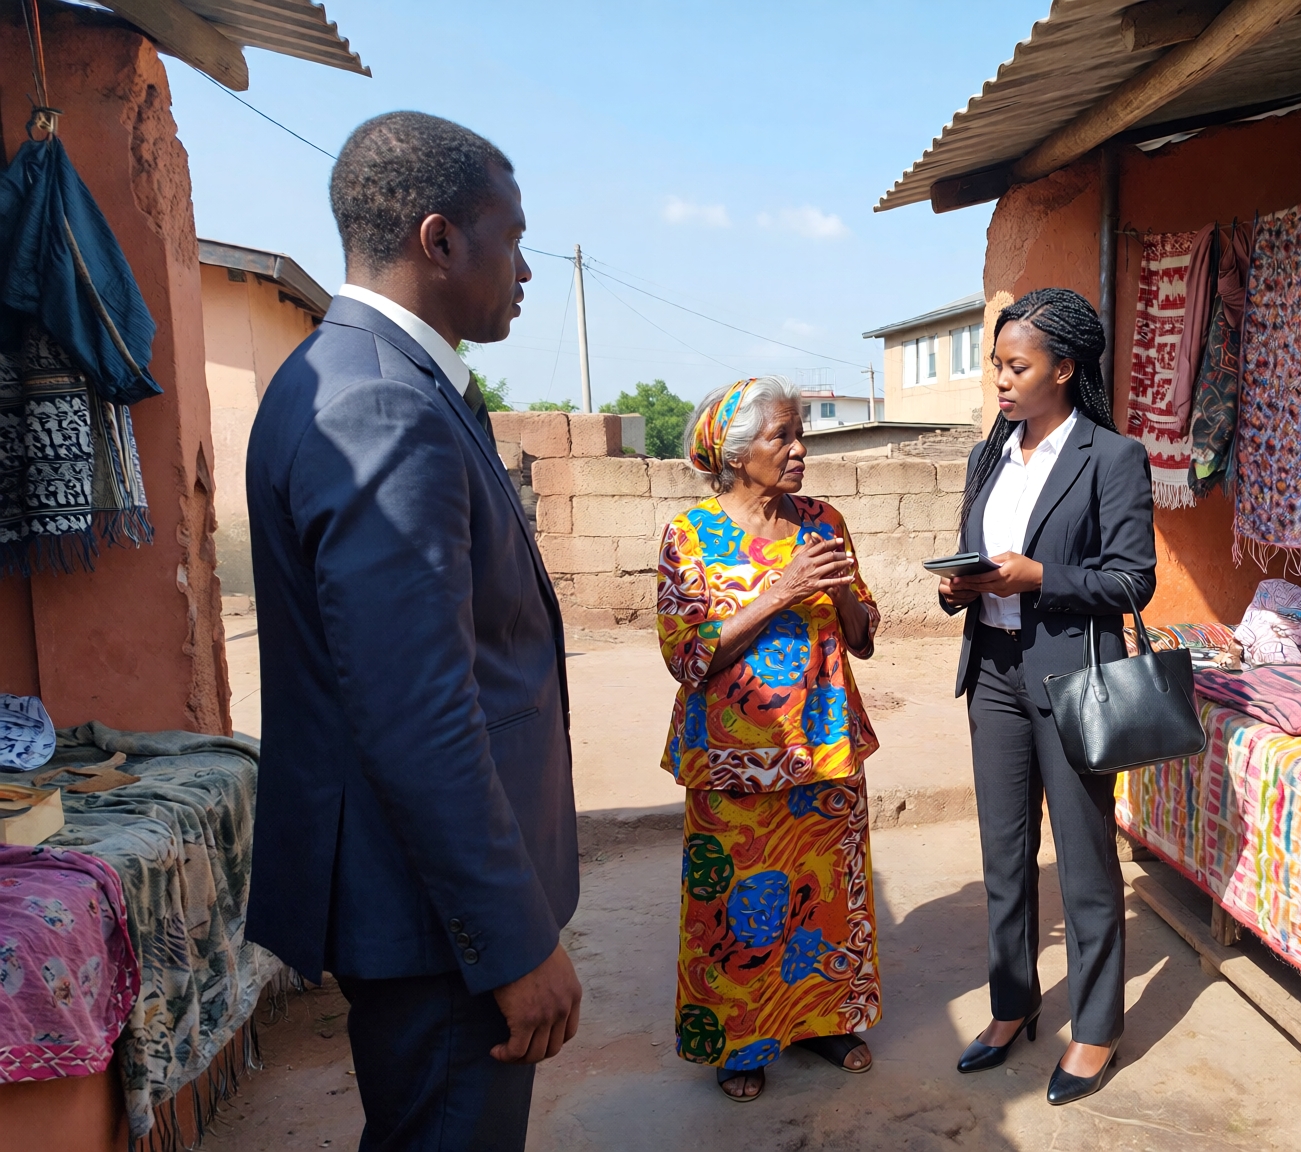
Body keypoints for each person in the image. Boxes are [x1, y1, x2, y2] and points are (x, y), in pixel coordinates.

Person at [245, 112, 582, 1150]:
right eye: (511, 238)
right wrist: (513, 944)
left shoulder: (349, 375)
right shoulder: (384, 406)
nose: (524, 268)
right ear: (440, 241)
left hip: (415, 902)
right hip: (437, 923)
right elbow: (418, 711)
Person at [939, 288, 1157, 1107]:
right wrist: (961, 590)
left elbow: (1133, 579)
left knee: (1086, 862)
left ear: (1064, 369)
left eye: (1016, 365)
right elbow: (972, 554)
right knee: (1004, 856)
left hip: (1073, 680)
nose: (999, 379)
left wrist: (1039, 579)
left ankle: (1097, 1027)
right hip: (992, 671)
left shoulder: (1111, 457)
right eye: (997, 364)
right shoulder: (989, 455)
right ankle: (1011, 1005)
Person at [657, 376, 882, 1102]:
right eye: (780, 435)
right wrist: (780, 591)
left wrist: (841, 586)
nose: (798, 448)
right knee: (736, 907)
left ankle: (821, 1023)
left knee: (825, 898)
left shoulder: (825, 520)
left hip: (823, 746)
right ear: (734, 450)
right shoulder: (689, 536)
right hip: (731, 756)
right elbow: (686, 654)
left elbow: (863, 638)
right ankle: (740, 1041)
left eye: (798, 432)